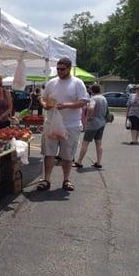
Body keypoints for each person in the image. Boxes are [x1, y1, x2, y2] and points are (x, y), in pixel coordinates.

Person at [36, 58, 89, 192]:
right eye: (58, 69)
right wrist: (44, 104)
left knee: (67, 154)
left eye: (62, 69)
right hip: (51, 123)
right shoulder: (52, 83)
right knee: (49, 152)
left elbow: (83, 101)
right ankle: (46, 180)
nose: (59, 71)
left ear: (69, 68)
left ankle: (66, 180)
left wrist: (66, 105)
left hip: (71, 125)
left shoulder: (77, 83)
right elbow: (43, 98)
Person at [73, 84, 107, 169]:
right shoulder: (104, 98)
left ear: (92, 91)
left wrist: (89, 118)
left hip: (93, 124)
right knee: (98, 143)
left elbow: (91, 108)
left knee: (85, 143)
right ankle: (99, 162)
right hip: (102, 123)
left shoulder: (93, 99)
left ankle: (79, 161)